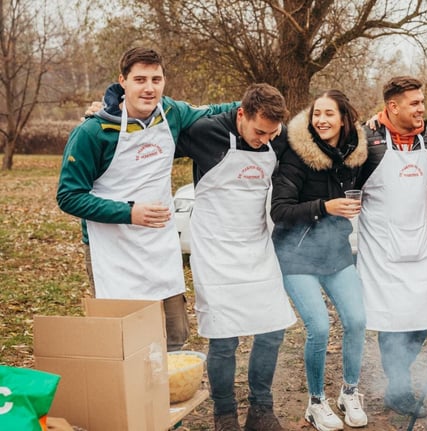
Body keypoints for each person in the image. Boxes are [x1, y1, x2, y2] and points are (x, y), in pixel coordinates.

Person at [56, 47, 239, 352]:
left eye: (156, 79)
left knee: (174, 339)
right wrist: (130, 213)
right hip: (111, 251)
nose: (149, 88)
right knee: (125, 345)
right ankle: (129, 397)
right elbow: (69, 196)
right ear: (122, 81)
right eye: (140, 79)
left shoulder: (172, 113)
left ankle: (170, 397)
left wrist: (256, 106)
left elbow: (215, 113)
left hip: (159, 248)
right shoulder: (93, 132)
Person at [174, 83, 296, 431]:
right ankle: (224, 414)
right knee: (224, 339)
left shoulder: (277, 136)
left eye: (272, 134)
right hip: (215, 252)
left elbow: (323, 138)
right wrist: (107, 114)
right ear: (241, 114)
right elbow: (154, 138)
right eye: (259, 131)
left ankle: (261, 409)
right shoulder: (205, 133)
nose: (265, 140)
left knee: (272, 329)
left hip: (257, 248)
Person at [270, 90, 368, 431]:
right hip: (295, 254)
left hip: (335, 251)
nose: (322, 120)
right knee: (320, 327)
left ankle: (350, 393)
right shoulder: (298, 155)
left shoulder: (355, 154)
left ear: (344, 119)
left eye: (329, 114)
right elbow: (279, 211)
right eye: (316, 114)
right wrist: (325, 207)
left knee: (357, 321)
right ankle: (315, 402)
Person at [355, 76, 427, 418]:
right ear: (393, 107)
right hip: (382, 247)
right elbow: (344, 180)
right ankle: (398, 386)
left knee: (420, 320)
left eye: (422, 102)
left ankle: (400, 376)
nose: (422, 109)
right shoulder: (368, 140)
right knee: (392, 323)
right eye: (415, 103)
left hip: (420, 245)